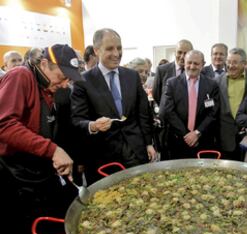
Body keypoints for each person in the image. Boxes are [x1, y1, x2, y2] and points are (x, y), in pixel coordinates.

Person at [0, 44, 82, 234]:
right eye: (62, 76)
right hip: (14, 176)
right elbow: (4, 124)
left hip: (37, 173)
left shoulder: (47, 87)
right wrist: (52, 150)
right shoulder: (20, 76)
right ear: (44, 64)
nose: (65, 83)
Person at [71, 28, 156, 184]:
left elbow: (142, 113)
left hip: (135, 152)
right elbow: (77, 120)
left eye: (119, 48)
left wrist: (148, 143)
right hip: (102, 157)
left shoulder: (131, 76)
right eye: (110, 49)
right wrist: (93, 125)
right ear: (96, 50)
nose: (117, 53)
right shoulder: (82, 81)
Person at [161, 50, 220, 159]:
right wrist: (187, 135)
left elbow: (213, 112)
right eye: (189, 62)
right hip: (178, 140)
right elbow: (168, 111)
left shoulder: (212, 85)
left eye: (196, 64)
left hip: (202, 140)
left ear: (203, 65)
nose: (192, 67)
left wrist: (197, 133)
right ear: (184, 62)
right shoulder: (172, 83)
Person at [216, 48, 247, 160]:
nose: (231, 65)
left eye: (235, 62)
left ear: (244, 64)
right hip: (224, 137)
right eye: (229, 62)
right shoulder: (217, 81)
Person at [152, 39, 193, 105]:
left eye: (186, 53)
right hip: (168, 112)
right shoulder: (162, 70)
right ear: (175, 52)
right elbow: (156, 94)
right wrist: (166, 108)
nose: (182, 56)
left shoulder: (195, 71)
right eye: (179, 52)